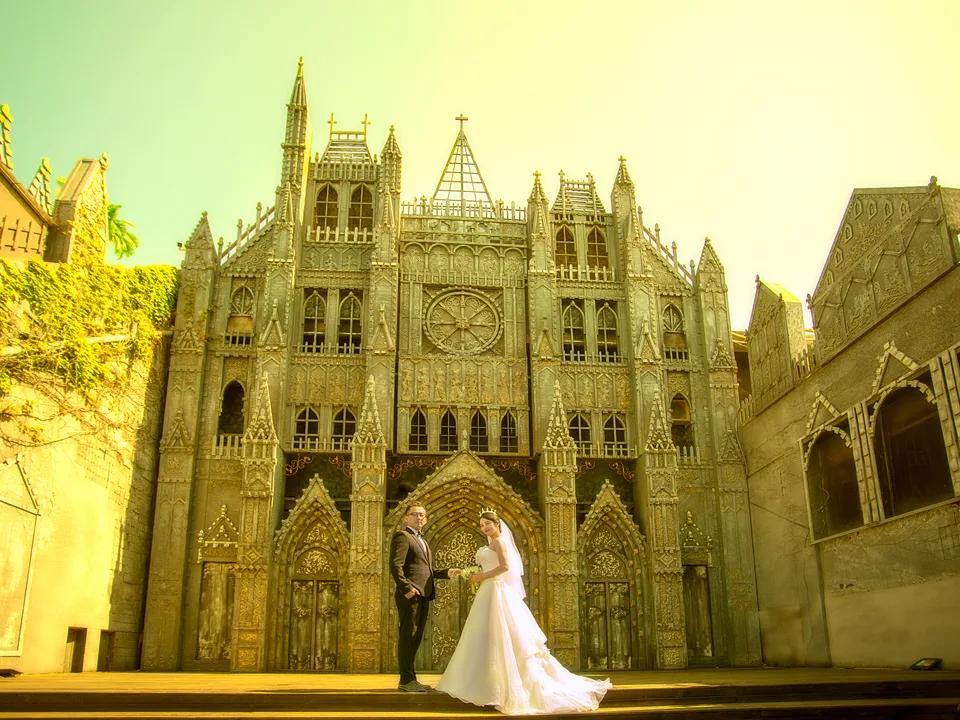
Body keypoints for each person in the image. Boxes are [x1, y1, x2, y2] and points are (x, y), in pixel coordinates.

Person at [436, 510, 612, 715]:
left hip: (496, 589)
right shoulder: (491, 544)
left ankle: (505, 685)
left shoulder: (500, 542)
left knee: (501, 633)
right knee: (486, 635)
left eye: (488, 524)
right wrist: (469, 572)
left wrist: (481, 577)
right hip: (488, 590)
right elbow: (490, 566)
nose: (485, 528)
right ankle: (486, 682)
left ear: (497, 524)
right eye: (482, 525)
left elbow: (504, 567)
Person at [389, 503, 461, 692]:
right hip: (411, 595)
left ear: (426, 519)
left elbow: (426, 571)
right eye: (414, 514)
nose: (419, 517)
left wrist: (446, 573)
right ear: (406, 518)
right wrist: (407, 588)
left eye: (422, 515)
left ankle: (410, 679)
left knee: (415, 637)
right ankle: (406, 680)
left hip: (423, 594)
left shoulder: (422, 541)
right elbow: (395, 565)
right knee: (408, 637)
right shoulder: (403, 536)